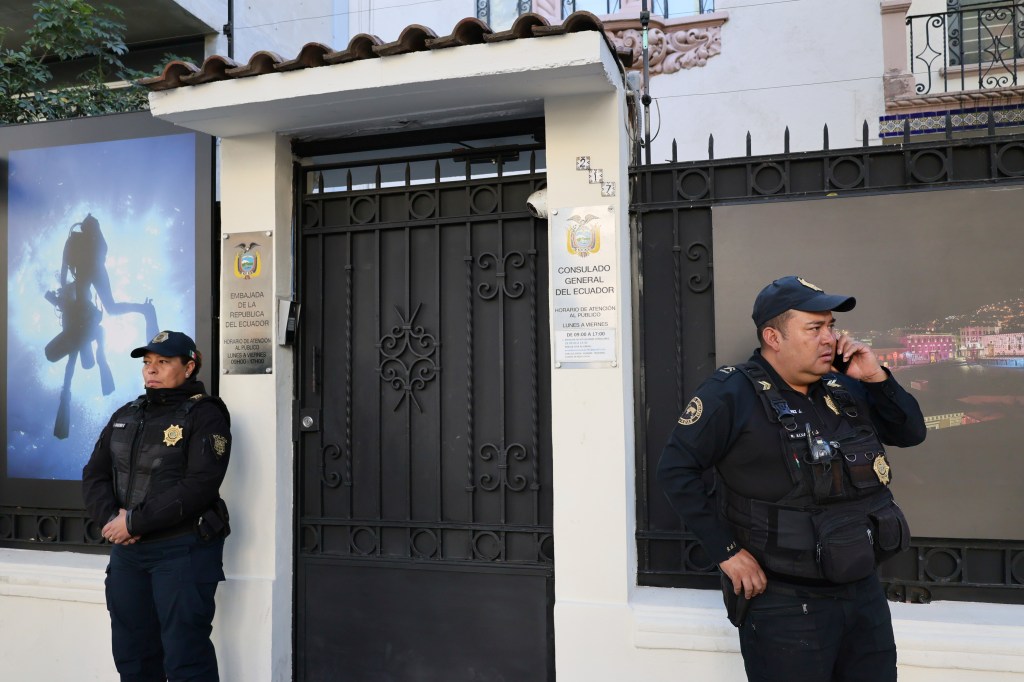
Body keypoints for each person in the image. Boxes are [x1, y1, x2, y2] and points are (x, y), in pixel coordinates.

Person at [657, 276, 926, 682]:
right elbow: (676, 470)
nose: (829, 339)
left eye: (831, 327)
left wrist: (876, 379)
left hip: (863, 593)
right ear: (773, 337)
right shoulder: (731, 393)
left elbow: (911, 433)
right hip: (785, 603)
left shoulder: (843, 386)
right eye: (814, 328)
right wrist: (727, 552)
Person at [82, 331, 232, 682]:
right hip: (128, 556)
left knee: (185, 658)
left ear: (189, 366)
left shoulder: (205, 415)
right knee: (133, 656)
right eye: (148, 362)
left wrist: (134, 523)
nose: (152, 369)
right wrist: (111, 519)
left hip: (181, 551)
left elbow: (200, 485)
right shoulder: (127, 413)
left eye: (163, 362)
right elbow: (95, 474)